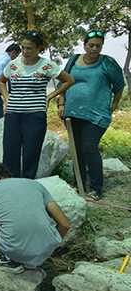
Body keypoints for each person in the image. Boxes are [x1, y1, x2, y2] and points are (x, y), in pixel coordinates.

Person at [0, 160, 70, 273]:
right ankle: (34, 258)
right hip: (46, 250)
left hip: (15, 250)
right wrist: (49, 246)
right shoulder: (34, 184)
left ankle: (9, 259)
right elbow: (65, 224)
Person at [57, 30, 125, 201]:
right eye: (91, 45)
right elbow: (64, 82)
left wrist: (113, 106)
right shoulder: (73, 60)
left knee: (89, 147)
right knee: (76, 149)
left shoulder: (107, 63)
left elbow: (119, 86)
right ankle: (79, 183)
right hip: (72, 113)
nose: (94, 49)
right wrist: (61, 103)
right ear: (84, 45)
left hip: (96, 115)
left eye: (98, 46)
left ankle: (96, 188)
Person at [0, 31, 74, 179]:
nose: (25, 51)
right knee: (10, 151)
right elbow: (1, 81)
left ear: (39, 48)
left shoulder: (47, 65)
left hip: (35, 115)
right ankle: (10, 185)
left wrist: (50, 97)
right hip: (13, 115)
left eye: (30, 48)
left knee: (31, 152)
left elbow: (69, 80)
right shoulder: (13, 65)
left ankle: (27, 184)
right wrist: (6, 99)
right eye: (23, 47)